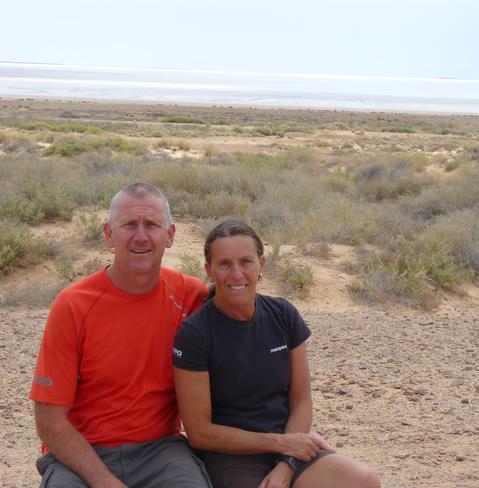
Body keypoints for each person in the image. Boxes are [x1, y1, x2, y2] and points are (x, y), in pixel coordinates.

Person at [173, 219, 381, 488]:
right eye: (224, 263)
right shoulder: (195, 333)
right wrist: (281, 443)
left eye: (246, 261)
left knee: (362, 479)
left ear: (262, 264)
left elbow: (301, 400)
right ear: (209, 269)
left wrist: (287, 462)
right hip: (230, 456)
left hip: (289, 446)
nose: (236, 274)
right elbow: (200, 433)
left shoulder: (283, 314)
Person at [30, 182, 212, 487]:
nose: (140, 236)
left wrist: (287, 437)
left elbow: (248, 317)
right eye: (129, 224)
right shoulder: (74, 304)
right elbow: (49, 422)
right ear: (108, 234)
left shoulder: (190, 296)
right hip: (81, 454)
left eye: (152, 225)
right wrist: (104, 481)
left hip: (161, 450)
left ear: (170, 236)